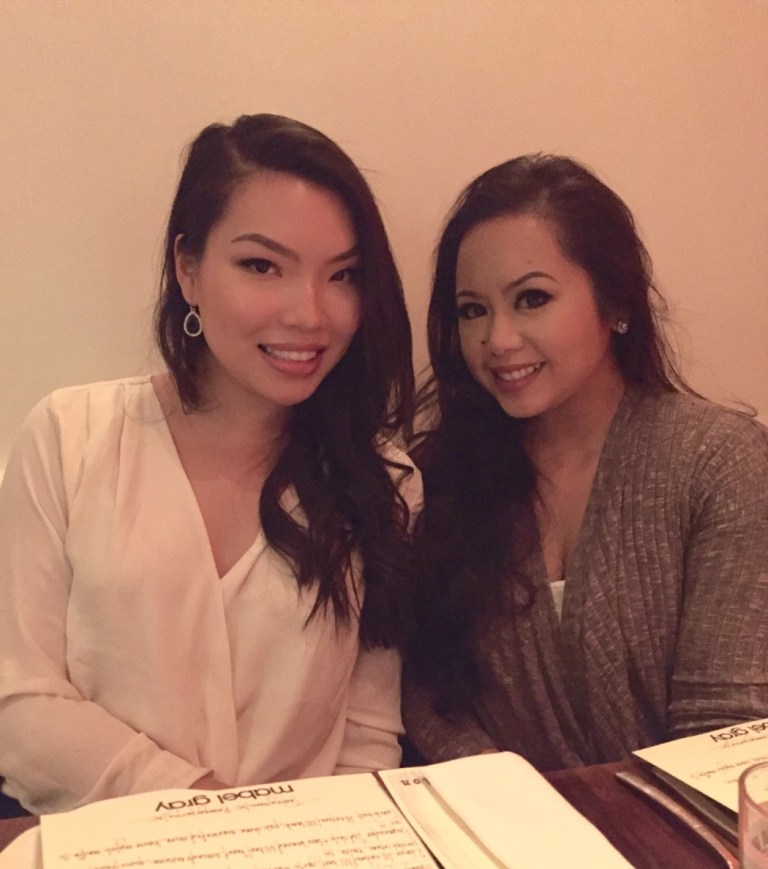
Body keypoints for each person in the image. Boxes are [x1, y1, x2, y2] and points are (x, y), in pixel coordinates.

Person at [0, 114, 420, 814]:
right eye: (262, 266)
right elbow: (19, 700)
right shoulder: (70, 437)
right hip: (102, 859)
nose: (310, 314)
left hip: (310, 862)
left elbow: (367, 736)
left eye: (343, 275)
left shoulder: (384, 483)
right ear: (188, 269)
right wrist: (206, 812)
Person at [403, 154, 768, 772]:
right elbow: (428, 699)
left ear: (616, 303)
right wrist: (504, 801)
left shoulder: (720, 462)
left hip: (690, 828)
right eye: (473, 310)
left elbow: (724, 733)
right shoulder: (434, 476)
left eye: (532, 299)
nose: (498, 340)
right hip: (494, 825)